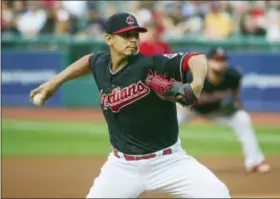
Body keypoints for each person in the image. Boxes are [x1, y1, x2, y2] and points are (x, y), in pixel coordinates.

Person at [30, 13, 230, 198]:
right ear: (109, 39)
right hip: (122, 167)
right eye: (125, 35)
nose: (133, 39)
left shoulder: (152, 63)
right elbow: (88, 61)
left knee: (219, 194)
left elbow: (197, 58)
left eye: (135, 35)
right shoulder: (101, 63)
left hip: (169, 161)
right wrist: (53, 83)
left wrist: (196, 84)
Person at [176, 46, 270, 174]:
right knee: (172, 120)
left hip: (217, 110)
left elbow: (236, 97)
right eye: (216, 59)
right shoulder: (193, 76)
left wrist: (236, 105)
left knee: (242, 118)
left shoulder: (233, 77)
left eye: (223, 59)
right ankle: (158, 161)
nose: (221, 63)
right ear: (207, 61)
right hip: (190, 109)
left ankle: (255, 162)